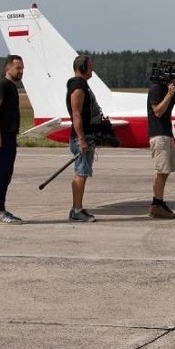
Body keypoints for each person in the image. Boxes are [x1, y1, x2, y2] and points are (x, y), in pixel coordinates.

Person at [66, 54, 102, 223]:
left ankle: (78, 207)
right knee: (81, 173)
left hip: (84, 135)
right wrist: (81, 139)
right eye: (90, 66)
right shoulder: (79, 86)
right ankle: (76, 210)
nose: (92, 69)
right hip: (81, 137)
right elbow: (77, 114)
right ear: (83, 68)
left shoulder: (80, 85)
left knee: (82, 173)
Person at [0, 54, 25, 224]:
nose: (21, 71)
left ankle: (0, 208)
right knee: (1, 173)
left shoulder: (11, 86)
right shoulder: (2, 84)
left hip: (9, 136)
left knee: (6, 173)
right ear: (8, 68)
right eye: (18, 68)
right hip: (3, 137)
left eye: (22, 68)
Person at [147, 69, 175, 219]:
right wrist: (169, 95)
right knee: (161, 170)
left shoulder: (167, 89)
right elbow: (157, 111)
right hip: (158, 135)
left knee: (166, 170)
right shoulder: (156, 89)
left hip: (167, 134)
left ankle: (159, 202)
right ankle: (156, 204)